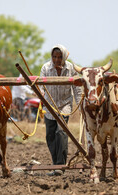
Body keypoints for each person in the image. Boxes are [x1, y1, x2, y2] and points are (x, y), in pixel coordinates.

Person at [40, 44, 82, 176]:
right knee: (50, 136)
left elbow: (77, 88)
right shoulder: (46, 68)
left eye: (59, 57)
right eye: (54, 57)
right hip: (49, 105)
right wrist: (41, 95)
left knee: (61, 132)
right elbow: (40, 86)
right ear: (51, 57)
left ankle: (60, 165)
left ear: (64, 57)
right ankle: (55, 165)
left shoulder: (71, 69)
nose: (57, 60)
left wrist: (80, 105)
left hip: (65, 105)